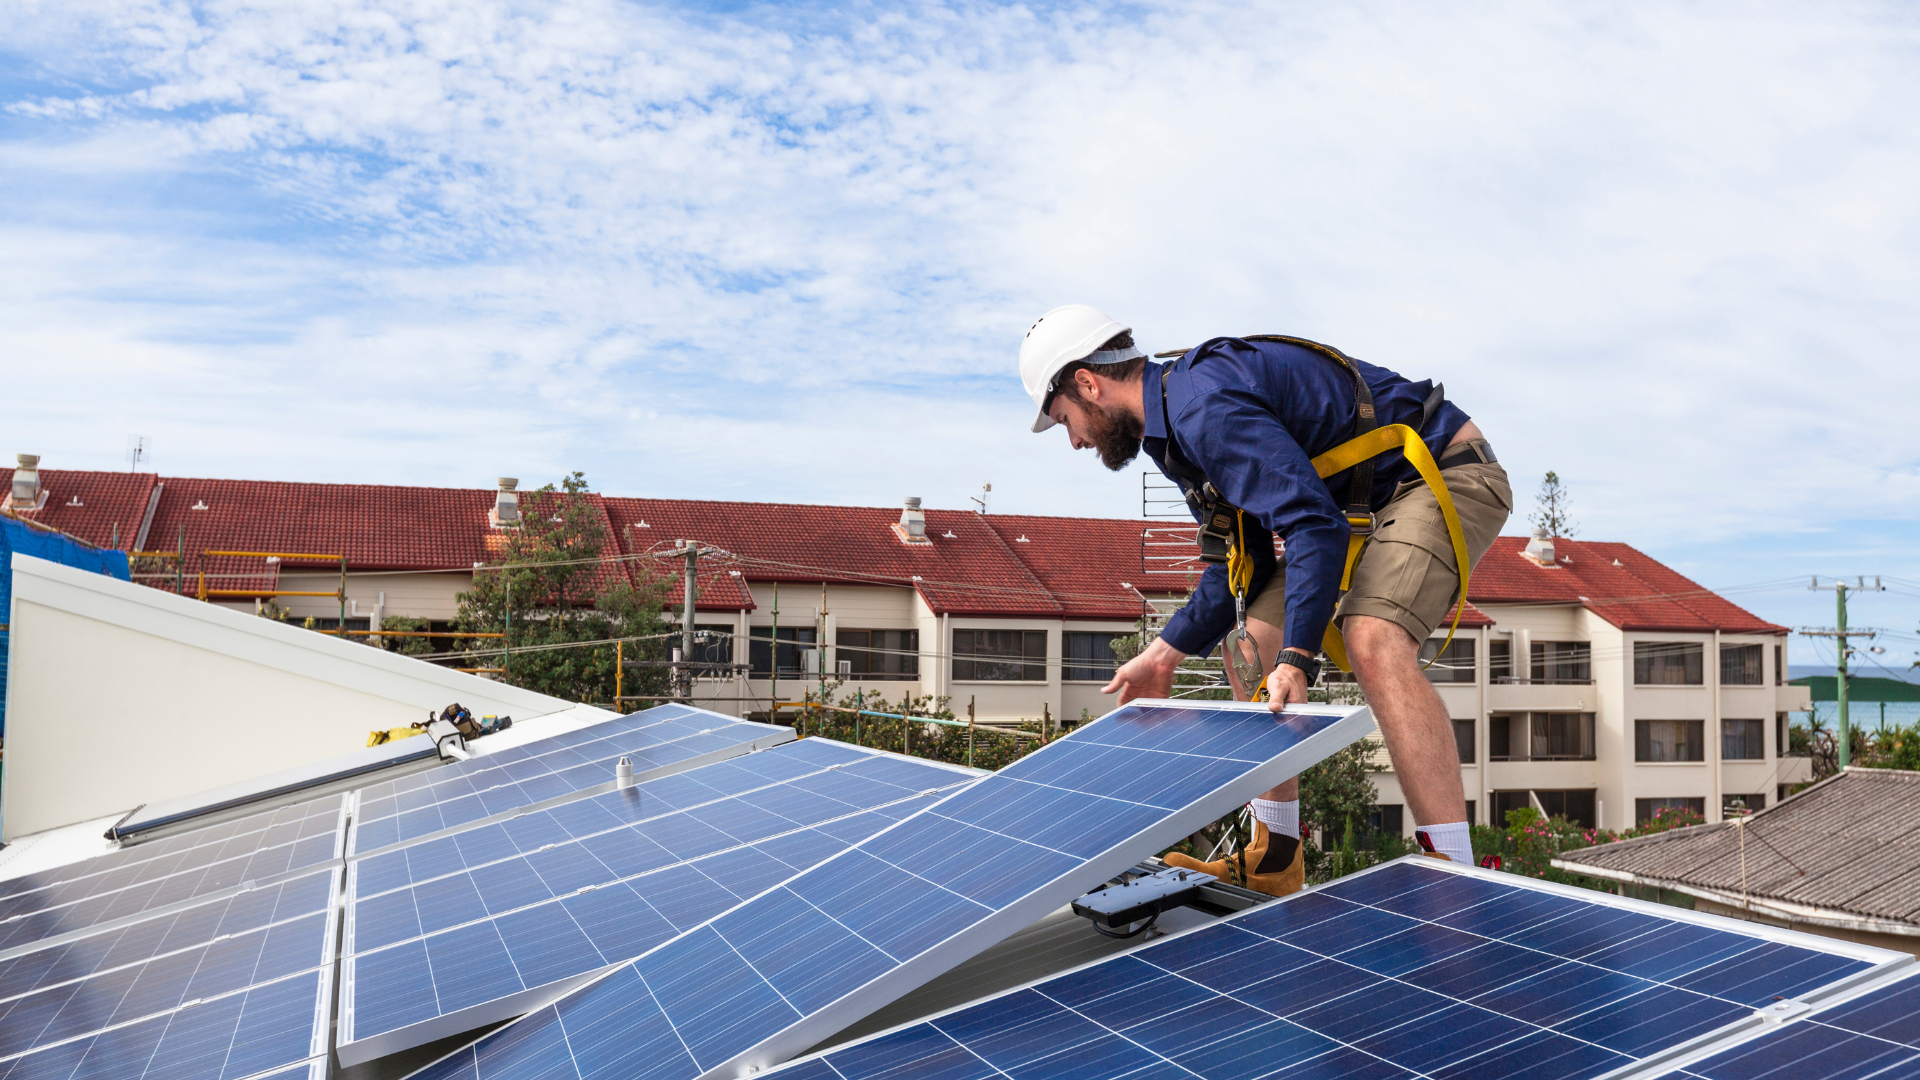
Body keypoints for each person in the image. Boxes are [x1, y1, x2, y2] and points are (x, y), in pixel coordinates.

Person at [1019, 304, 1511, 895]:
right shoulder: (1172, 432)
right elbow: (1241, 563)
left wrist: (1297, 658)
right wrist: (1164, 655)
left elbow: (1313, 526)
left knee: (1371, 639)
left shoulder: (1202, 406)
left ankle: (1453, 876)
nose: (1074, 440)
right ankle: (1275, 858)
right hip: (1354, 506)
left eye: (1066, 419)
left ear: (1088, 382)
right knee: (1251, 644)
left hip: (1439, 472)